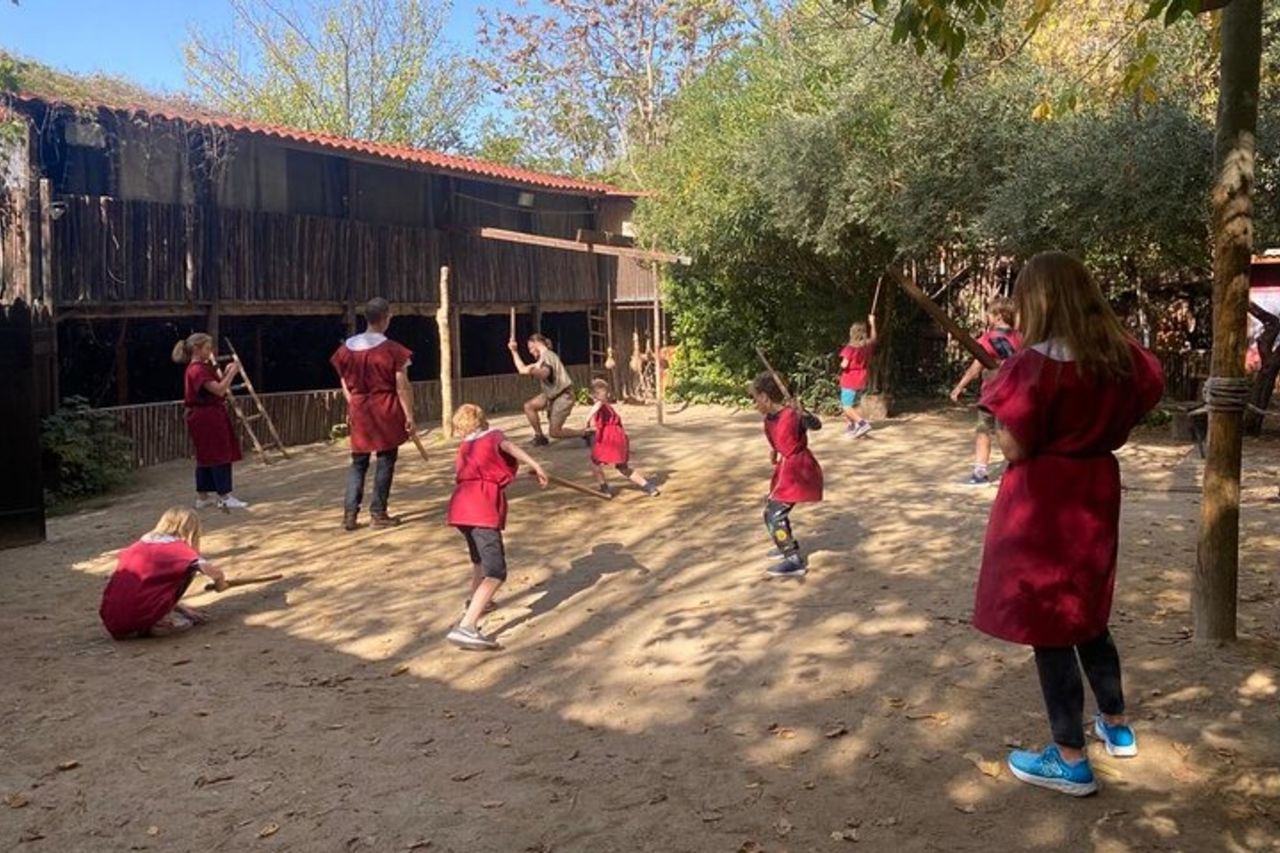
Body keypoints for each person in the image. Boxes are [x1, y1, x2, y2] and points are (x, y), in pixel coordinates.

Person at [974, 251, 1164, 797]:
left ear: (1038, 300)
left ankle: (1069, 757)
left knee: (1051, 623)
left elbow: (1015, 446)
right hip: (1095, 490)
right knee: (1088, 611)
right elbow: (1145, 394)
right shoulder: (1118, 356)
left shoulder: (1034, 364)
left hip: (1044, 499)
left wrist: (1001, 405)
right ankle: (1117, 726)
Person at [445, 403, 549, 651]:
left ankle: (477, 602)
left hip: (461, 508)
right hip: (481, 509)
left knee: (479, 562)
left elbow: (486, 475)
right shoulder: (494, 437)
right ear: (482, 420)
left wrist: (525, 475)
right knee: (496, 572)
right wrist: (536, 465)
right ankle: (467, 627)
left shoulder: (465, 447)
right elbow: (509, 448)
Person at [331, 297, 416, 531]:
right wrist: (409, 414)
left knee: (358, 463)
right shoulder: (392, 350)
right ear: (386, 317)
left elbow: (344, 382)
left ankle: (350, 514)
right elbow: (402, 386)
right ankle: (378, 513)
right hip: (385, 407)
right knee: (385, 460)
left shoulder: (347, 348)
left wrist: (353, 404)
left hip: (359, 408)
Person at [99, 507, 229, 639]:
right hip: (142, 615)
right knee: (187, 571)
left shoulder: (138, 546)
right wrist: (220, 584)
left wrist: (186, 611)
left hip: (113, 620)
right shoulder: (179, 550)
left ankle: (147, 623)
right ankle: (153, 624)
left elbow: (149, 588)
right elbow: (215, 574)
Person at [751, 372, 823, 578]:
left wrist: (805, 414)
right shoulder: (770, 418)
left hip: (798, 470)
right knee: (773, 510)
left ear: (765, 397)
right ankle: (785, 544)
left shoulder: (792, 414)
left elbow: (816, 425)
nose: (755, 403)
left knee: (773, 513)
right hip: (786, 468)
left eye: (756, 398)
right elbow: (776, 439)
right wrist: (774, 451)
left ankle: (792, 558)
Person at [950, 296, 1023, 485]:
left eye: (990, 314)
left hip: (992, 394)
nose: (988, 318)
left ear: (997, 316)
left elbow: (976, 366)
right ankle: (1016, 468)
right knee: (1009, 431)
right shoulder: (1021, 338)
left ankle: (980, 472)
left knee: (984, 430)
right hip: (1014, 393)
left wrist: (960, 386)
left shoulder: (989, 338)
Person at [172, 333, 248, 511]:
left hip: (202, 415)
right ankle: (224, 496)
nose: (211, 351)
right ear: (197, 349)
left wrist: (227, 371)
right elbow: (220, 390)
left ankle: (203, 496)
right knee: (219, 452)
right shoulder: (197, 370)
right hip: (207, 416)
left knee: (205, 454)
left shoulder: (198, 368)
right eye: (207, 348)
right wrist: (233, 372)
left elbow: (216, 387)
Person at [581, 378, 660, 497]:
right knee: (623, 467)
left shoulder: (600, 404)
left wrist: (586, 420)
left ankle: (604, 489)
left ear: (593, 395)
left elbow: (597, 407)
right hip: (619, 436)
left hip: (608, 438)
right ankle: (649, 487)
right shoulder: (609, 408)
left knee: (595, 463)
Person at [508, 333, 585, 446]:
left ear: (536, 344)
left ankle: (585, 433)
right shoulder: (542, 359)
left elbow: (545, 373)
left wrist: (533, 371)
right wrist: (514, 351)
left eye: (530, 348)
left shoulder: (548, 356)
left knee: (555, 432)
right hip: (552, 394)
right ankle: (539, 436)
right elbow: (522, 369)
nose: (530, 351)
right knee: (529, 406)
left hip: (563, 395)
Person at [838, 315, 878, 438]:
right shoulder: (867, 346)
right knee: (850, 404)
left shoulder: (849, 349)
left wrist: (841, 365)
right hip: (861, 378)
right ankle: (852, 426)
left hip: (849, 379)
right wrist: (872, 323)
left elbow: (844, 364)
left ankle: (862, 423)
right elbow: (874, 338)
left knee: (846, 406)